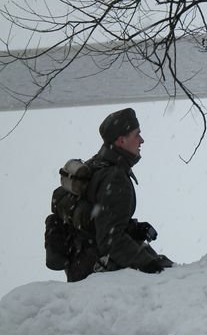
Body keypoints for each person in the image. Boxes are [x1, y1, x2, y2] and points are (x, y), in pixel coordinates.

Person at [63, 108, 173, 282]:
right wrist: (149, 265)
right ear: (121, 140)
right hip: (93, 269)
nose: (142, 140)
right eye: (137, 135)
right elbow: (110, 241)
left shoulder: (97, 163)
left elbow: (100, 220)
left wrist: (134, 228)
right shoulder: (115, 178)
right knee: (165, 271)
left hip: (78, 262)